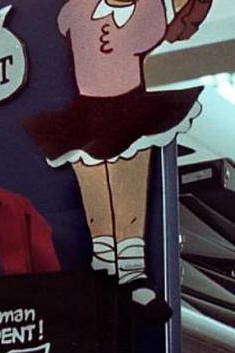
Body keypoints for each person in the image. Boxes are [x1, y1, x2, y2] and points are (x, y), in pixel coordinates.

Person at [24, 0, 212, 322]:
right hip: (87, 113)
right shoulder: (79, 9)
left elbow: (147, 36)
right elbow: (66, 24)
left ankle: (131, 270)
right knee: (95, 188)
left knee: (128, 191)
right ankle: (103, 265)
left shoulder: (147, 10)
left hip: (128, 107)